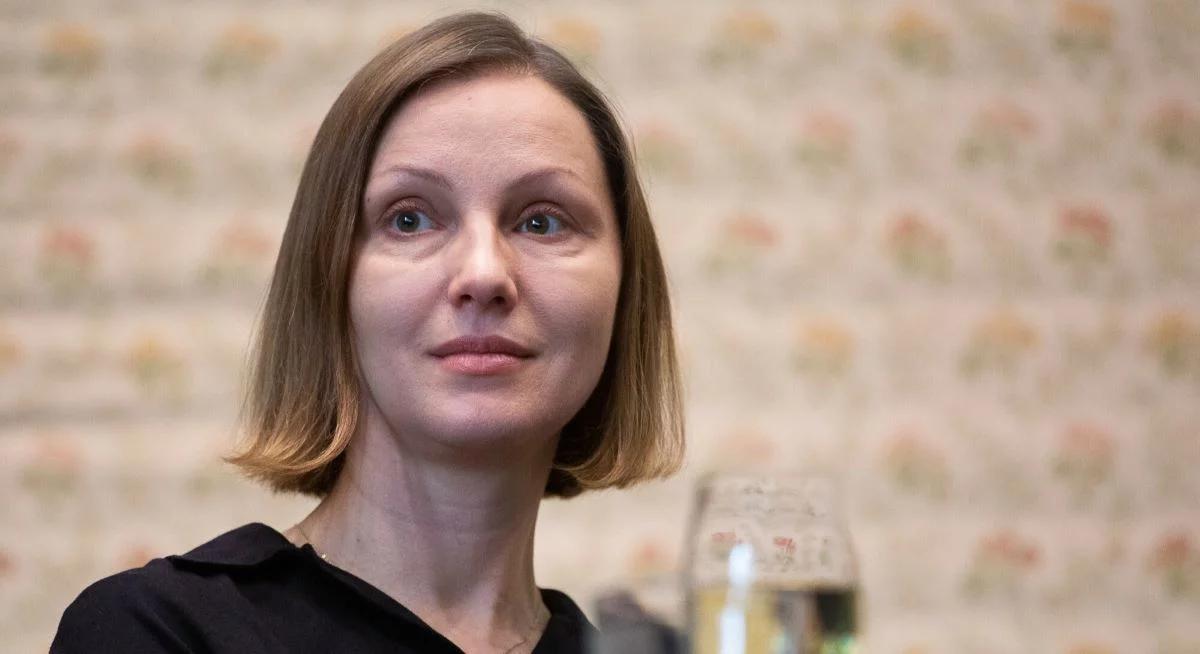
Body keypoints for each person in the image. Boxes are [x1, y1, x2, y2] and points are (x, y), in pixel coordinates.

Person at [50, 11, 684, 654]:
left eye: (541, 222)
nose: (484, 274)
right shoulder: (157, 633)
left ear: (627, 287)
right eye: (409, 219)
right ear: (329, 281)